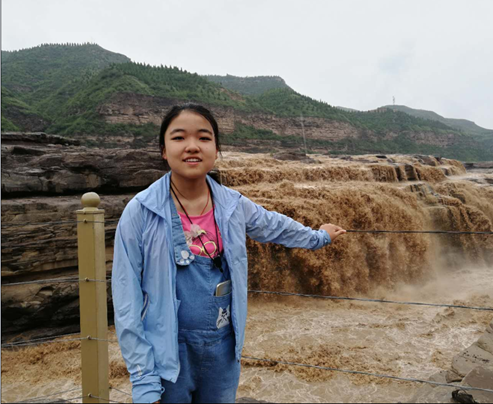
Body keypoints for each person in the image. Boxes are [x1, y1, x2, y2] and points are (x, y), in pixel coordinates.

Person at [112, 103, 346, 404]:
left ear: (216, 148)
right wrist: (144, 379)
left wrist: (318, 237)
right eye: (179, 137)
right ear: (163, 150)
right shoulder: (141, 212)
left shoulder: (233, 205)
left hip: (223, 353)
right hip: (166, 358)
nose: (192, 146)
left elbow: (274, 225)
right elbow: (126, 299)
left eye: (204, 138)